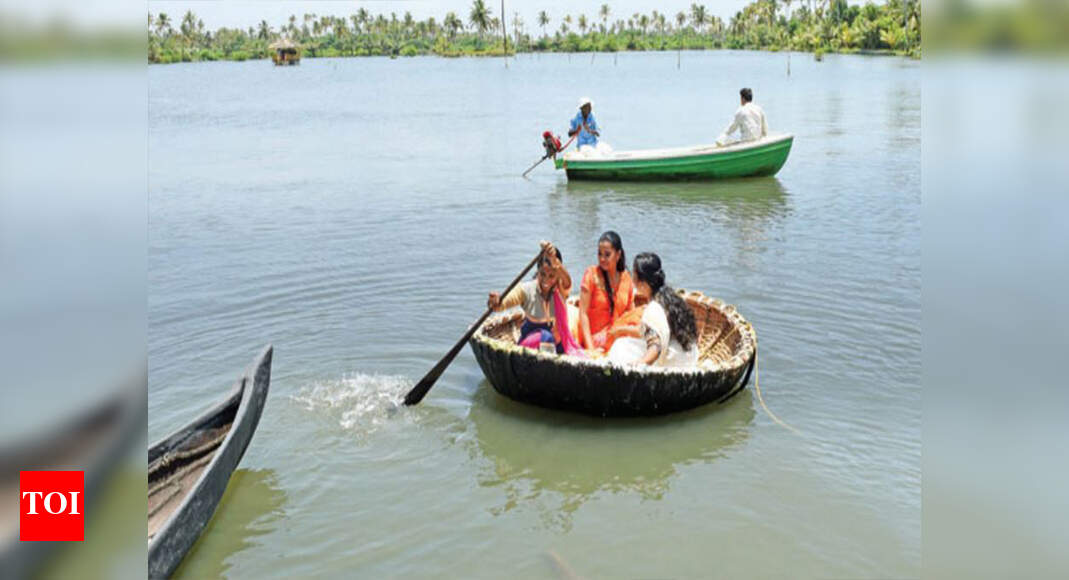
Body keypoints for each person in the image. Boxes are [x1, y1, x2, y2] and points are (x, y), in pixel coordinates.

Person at [607, 252, 699, 367]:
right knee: (626, 341)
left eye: (634, 275)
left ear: (643, 283)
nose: (632, 278)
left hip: (675, 363)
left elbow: (655, 346)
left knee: (620, 345)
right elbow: (646, 331)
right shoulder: (669, 297)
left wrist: (639, 364)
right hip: (690, 357)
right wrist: (622, 330)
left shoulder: (653, 309)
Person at [487, 241, 576, 354]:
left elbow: (567, 281)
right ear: (538, 271)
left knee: (564, 343)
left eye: (551, 276)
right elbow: (501, 304)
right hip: (531, 345)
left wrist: (555, 261)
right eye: (542, 274)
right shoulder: (527, 290)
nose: (546, 281)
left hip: (555, 343)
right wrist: (495, 302)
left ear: (557, 275)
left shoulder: (561, 289)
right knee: (547, 337)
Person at [578, 231, 634, 354]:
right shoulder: (591, 274)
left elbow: (631, 314)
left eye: (607, 255)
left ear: (618, 255)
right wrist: (590, 349)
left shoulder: (626, 278)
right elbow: (583, 313)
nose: (602, 259)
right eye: (599, 254)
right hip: (595, 340)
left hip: (618, 338)